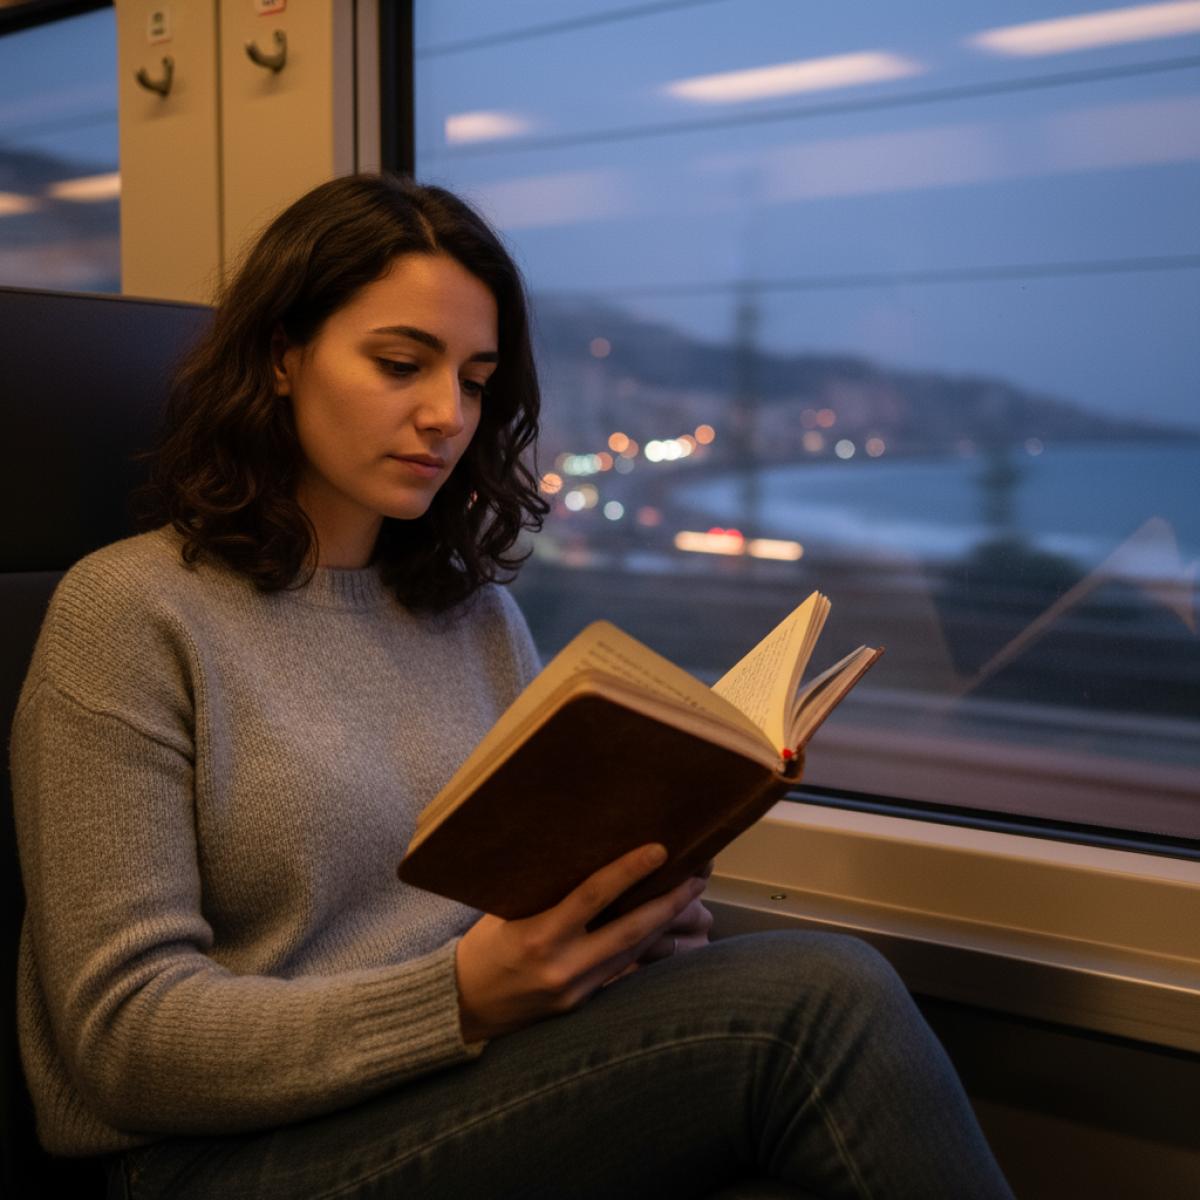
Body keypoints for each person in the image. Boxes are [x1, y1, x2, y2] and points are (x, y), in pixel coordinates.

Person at [10, 173, 1015, 1200]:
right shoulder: (131, 614)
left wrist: (617, 935)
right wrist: (461, 997)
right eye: (400, 364)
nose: (446, 414)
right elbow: (121, 1038)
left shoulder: (472, 618)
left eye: (477, 380)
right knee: (818, 1003)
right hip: (220, 1160)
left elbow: (506, 898)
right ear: (282, 355)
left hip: (460, 1078)